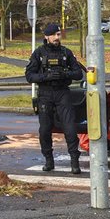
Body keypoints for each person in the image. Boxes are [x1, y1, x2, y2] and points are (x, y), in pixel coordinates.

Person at [25, 23, 85, 174]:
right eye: (55, 35)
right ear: (47, 36)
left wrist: (65, 74)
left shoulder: (66, 52)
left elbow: (78, 74)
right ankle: (48, 160)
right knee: (45, 129)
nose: (58, 38)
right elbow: (29, 76)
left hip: (62, 92)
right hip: (45, 93)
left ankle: (74, 161)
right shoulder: (38, 53)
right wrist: (46, 76)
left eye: (59, 35)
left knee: (69, 127)